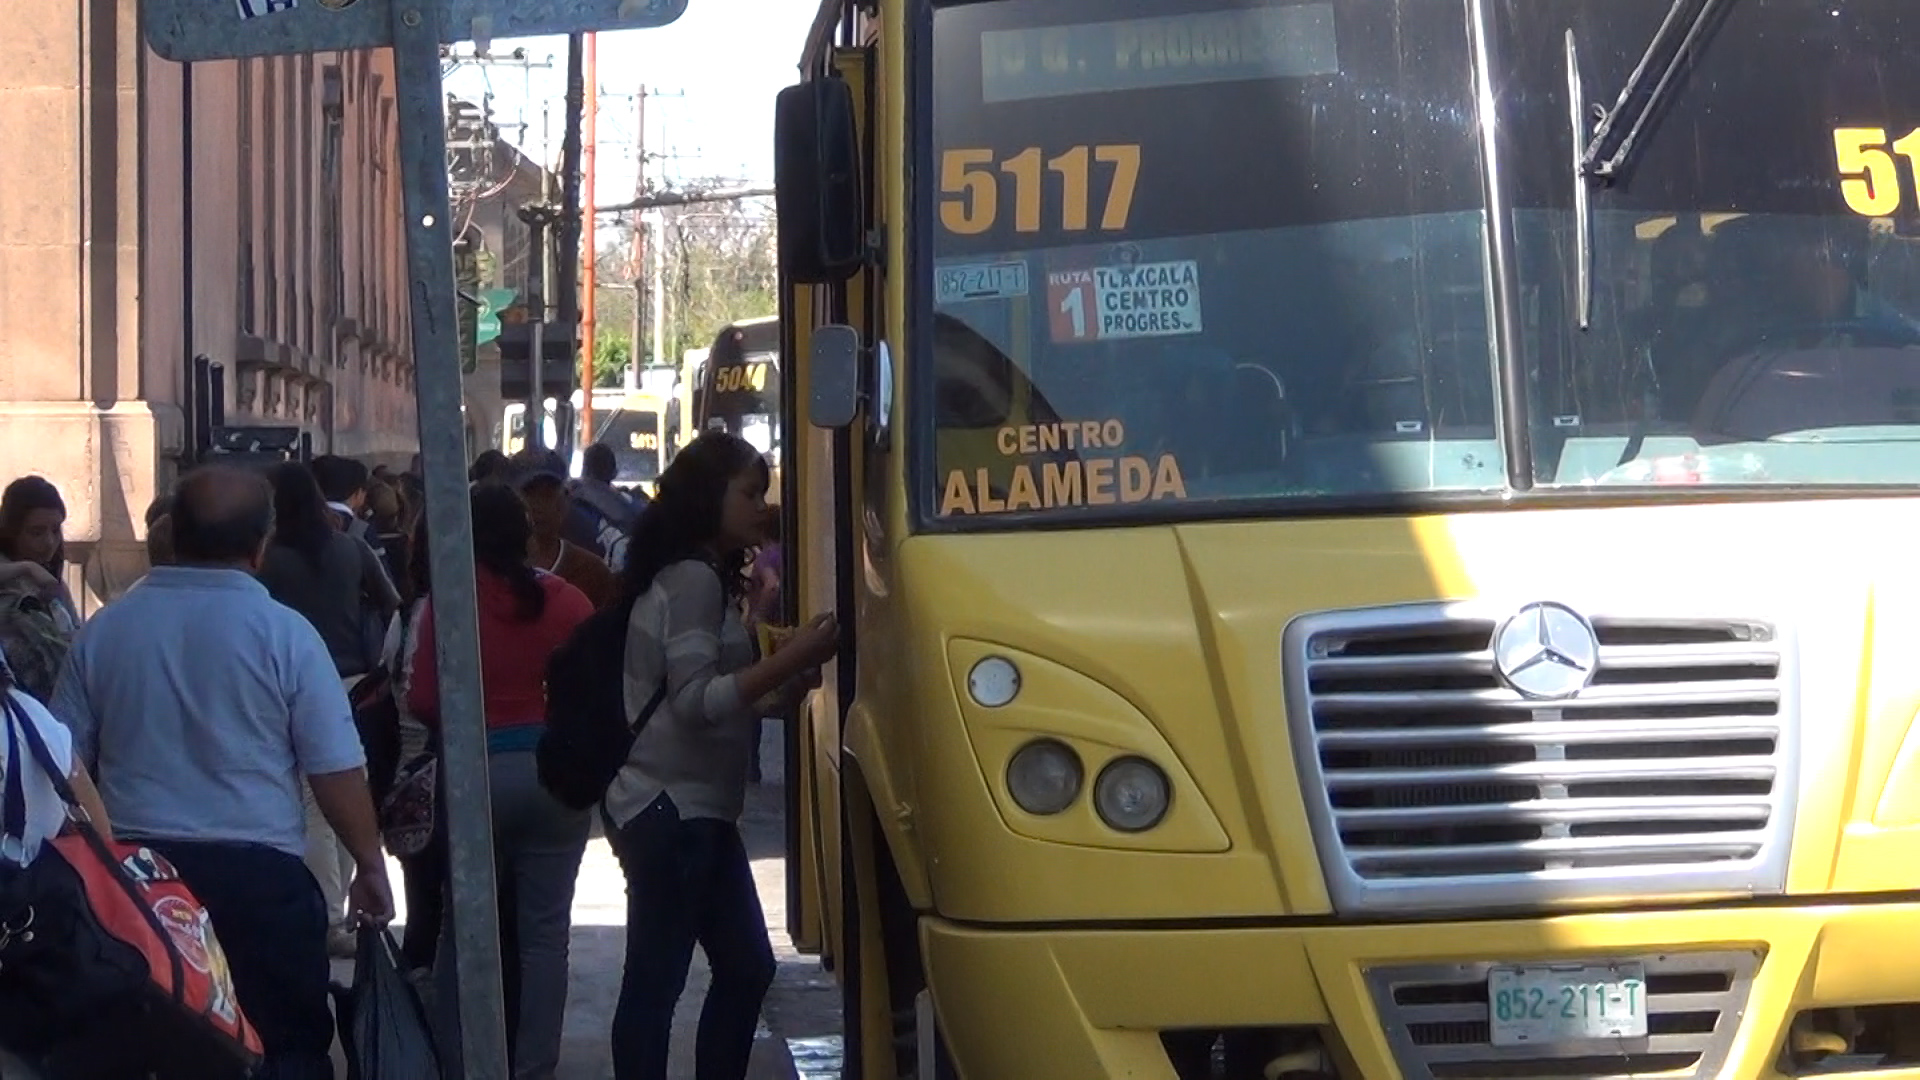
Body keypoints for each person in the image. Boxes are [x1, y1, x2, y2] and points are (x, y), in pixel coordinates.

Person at [48, 465, 392, 1080]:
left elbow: (62, 762)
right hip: (260, 883)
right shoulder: (287, 637)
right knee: (281, 1049)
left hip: (139, 880)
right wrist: (367, 865)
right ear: (262, 544)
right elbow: (335, 767)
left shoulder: (104, 634)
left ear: (174, 535)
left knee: (150, 1054)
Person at [602, 432, 839, 1080]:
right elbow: (695, 702)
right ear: (711, 497)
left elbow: (717, 703)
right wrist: (792, 659)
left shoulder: (695, 577)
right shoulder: (691, 582)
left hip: (691, 812)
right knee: (664, 982)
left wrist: (783, 687)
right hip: (671, 811)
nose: (761, 506)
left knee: (738, 967)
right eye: (750, 492)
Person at [409, 483, 595, 1080]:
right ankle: (535, 1066)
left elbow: (424, 699)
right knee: (545, 938)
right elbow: (595, 693)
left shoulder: (449, 604)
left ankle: (461, 1061)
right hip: (553, 780)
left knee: (463, 933)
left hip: (475, 781)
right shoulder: (568, 602)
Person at [257, 461, 402, 957]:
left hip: (289, 686)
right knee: (349, 793)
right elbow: (392, 602)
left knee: (314, 807)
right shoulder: (350, 547)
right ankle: (341, 905)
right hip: (356, 684)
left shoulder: (268, 559)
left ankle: (327, 917)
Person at [519, 461, 618, 609]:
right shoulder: (501, 572)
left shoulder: (593, 572)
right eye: (531, 495)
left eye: (548, 496)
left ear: (564, 504)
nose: (538, 506)